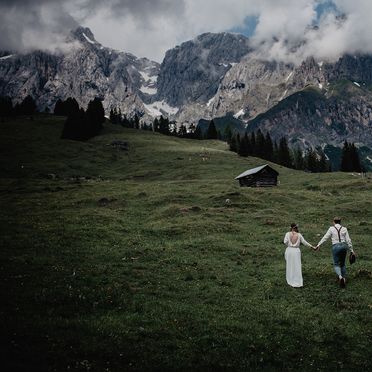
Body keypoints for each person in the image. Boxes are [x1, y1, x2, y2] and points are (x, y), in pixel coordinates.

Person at [315, 217, 355, 288]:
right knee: (342, 264)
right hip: (343, 246)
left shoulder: (331, 228)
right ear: (340, 222)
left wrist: (318, 245)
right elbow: (348, 240)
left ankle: (340, 277)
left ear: (334, 222)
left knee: (336, 264)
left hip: (335, 247)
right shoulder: (344, 229)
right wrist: (352, 250)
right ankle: (344, 278)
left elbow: (325, 237)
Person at [284, 223, 315, 287]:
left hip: (289, 250)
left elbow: (285, 241)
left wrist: (289, 244)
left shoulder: (287, 234)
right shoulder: (299, 235)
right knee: (297, 265)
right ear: (295, 228)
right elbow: (305, 242)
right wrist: (312, 247)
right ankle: (297, 280)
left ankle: (290, 279)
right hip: (296, 251)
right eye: (296, 227)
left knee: (289, 265)